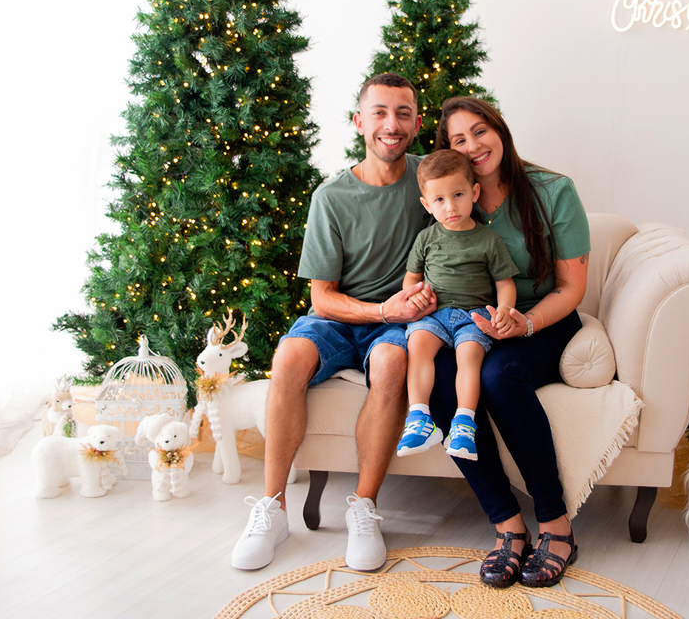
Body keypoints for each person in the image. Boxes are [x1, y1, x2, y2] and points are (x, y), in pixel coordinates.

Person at [230, 73, 437, 572]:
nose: (392, 124)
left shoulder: (430, 183)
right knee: (289, 356)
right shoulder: (331, 196)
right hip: (343, 316)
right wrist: (384, 309)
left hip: (398, 325)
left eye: (403, 113)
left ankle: (363, 507)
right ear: (358, 121)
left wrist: (418, 301)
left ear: (417, 123)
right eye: (380, 112)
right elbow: (321, 298)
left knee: (390, 362)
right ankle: (273, 508)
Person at [428, 95, 591, 589]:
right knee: (440, 379)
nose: (474, 145)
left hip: (544, 320)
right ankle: (507, 527)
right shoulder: (452, 196)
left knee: (499, 377)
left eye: (480, 131)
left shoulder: (553, 191)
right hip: (474, 324)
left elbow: (571, 288)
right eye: (459, 140)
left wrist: (524, 324)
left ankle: (556, 526)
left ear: (499, 130)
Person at [397, 150, 519, 461]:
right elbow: (410, 281)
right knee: (418, 345)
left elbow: (505, 284)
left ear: (474, 193)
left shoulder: (488, 240)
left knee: (469, 357)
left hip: (474, 317)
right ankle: (419, 417)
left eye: (458, 195)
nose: (450, 207)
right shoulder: (425, 239)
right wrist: (415, 296)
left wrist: (504, 310)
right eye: (439, 200)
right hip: (433, 315)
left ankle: (464, 423)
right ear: (426, 204)